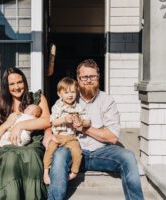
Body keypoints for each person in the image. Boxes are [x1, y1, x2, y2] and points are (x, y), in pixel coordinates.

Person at [45, 59, 144, 200]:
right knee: (59, 156)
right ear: (78, 79)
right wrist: (49, 134)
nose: (88, 80)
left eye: (92, 76)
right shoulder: (68, 97)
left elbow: (112, 137)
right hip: (73, 150)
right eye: (84, 77)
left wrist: (84, 129)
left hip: (102, 152)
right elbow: (52, 121)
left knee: (128, 157)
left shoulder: (107, 100)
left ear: (98, 78)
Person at [0, 67, 50, 200]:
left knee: (31, 156)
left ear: (25, 83)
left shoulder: (36, 98)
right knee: (11, 158)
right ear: (6, 86)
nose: (17, 87)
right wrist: (8, 123)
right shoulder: (0, 105)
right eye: (12, 84)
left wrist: (20, 125)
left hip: (32, 144)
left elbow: (46, 121)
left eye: (20, 82)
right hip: (9, 146)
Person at [43, 77, 90, 184]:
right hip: (57, 136)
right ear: (59, 94)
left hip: (71, 137)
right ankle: (46, 172)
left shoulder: (78, 107)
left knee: (77, 152)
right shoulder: (57, 106)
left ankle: (73, 173)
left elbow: (88, 121)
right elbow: (52, 122)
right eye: (66, 92)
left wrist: (81, 122)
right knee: (49, 151)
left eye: (73, 92)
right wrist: (63, 120)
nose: (70, 95)